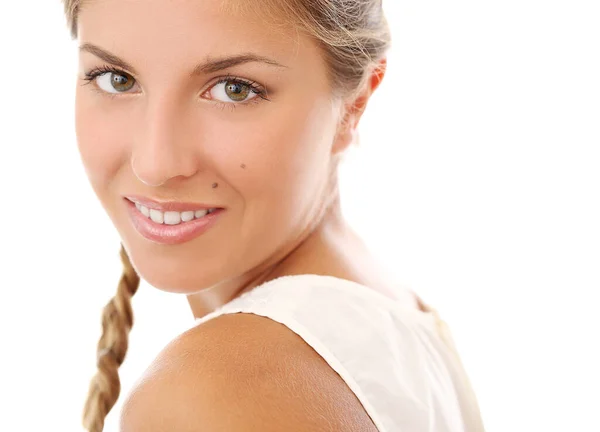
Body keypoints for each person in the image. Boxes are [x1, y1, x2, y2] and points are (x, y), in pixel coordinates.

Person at [61, 0, 486, 431]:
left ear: (354, 104)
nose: (154, 164)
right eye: (117, 80)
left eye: (235, 89)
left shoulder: (214, 392)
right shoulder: (382, 315)